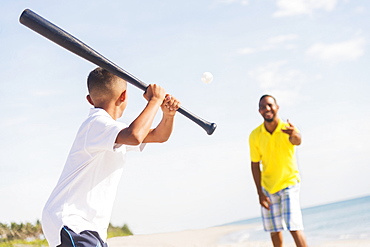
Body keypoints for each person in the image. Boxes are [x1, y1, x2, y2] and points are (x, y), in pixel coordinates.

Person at [41, 67, 180, 247]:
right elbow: (135, 135)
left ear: (89, 100)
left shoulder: (111, 131)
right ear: (123, 96)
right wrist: (154, 101)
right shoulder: (96, 123)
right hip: (72, 219)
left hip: (89, 226)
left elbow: (159, 136)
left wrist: (168, 115)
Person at [249, 95, 308, 247]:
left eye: (269, 105)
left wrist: (294, 134)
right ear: (259, 111)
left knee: (294, 226)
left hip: (289, 183)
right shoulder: (255, 135)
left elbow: (297, 140)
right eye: (263, 107)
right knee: (274, 231)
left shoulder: (287, 129)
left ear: (277, 107)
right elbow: (255, 165)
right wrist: (260, 193)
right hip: (268, 187)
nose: (266, 109)